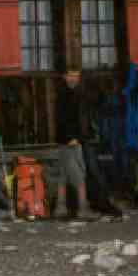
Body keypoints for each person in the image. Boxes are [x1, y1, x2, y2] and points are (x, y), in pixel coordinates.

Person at [54, 70, 91, 219]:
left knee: (63, 175)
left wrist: (82, 137)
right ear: (65, 76)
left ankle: (60, 207)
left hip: (75, 140)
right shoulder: (64, 95)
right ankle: (82, 208)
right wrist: (72, 137)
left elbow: (82, 119)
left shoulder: (79, 94)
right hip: (69, 141)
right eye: (70, 75)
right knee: (79, 175)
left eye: (76, 76)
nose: (73, 78)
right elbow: (62, 120)